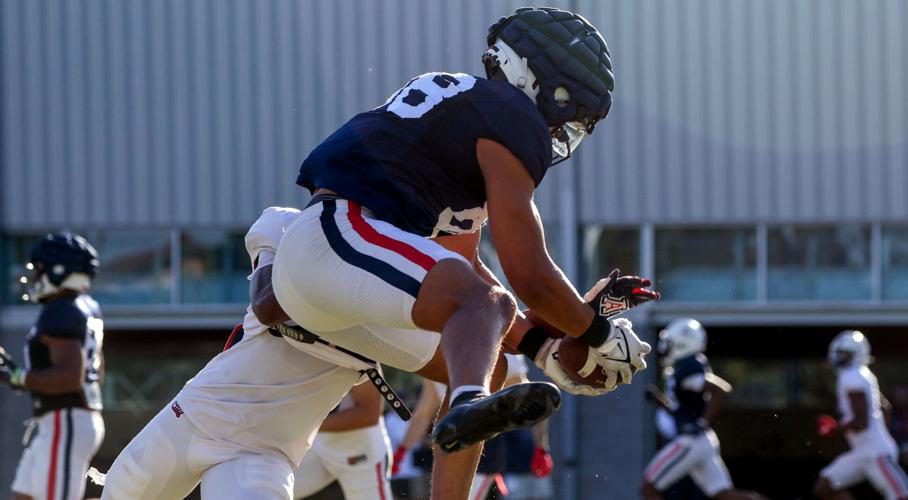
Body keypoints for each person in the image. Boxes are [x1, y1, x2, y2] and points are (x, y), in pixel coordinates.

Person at [270, 7, 657, 498]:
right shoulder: (508, 117)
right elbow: (527, 275)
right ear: (534, 79)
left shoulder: (463, 121)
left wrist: (542, 349)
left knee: (489, 356)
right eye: (568, 108)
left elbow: (464, 264)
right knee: (482, 309)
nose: (563, 129)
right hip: (335, 240)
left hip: (344, 265)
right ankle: (469, 401)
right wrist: (596, 330)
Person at [0, 233, 106, 500]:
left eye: (41, 270)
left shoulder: (61, 310)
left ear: (61, 270)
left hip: (65, 418)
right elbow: (97, 372)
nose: (36, 277)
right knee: (25, 494)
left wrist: (17, 376)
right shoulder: (86, 308)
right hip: (64, 418)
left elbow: (71, 377)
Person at [641, 318, 765, 500]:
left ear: (682, 343)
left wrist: (702, 422)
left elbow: (720, 391)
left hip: (691, 440)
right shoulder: (686, 367)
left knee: (648, 486)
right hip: (703, 440)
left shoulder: (688, 368)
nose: (666, 348)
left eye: (670, 343)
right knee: (723, 495)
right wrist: (659, 400)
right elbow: (682, 409)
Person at [813, 330, 908, 500]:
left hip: (875, 452)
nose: (840, 358)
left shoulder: (851, 377)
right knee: (824, 486)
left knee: (900, 495)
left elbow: (861, 422)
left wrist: (835, 428)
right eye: (840, 354)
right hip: (862, 451)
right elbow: (884, 408)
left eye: (845, 355)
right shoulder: (860, 373)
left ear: (856, 355)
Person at [292, 378, 393, 500]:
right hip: (319, 445)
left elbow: (369, 414)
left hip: (360, 453)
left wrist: (307, 425)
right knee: (269, 485)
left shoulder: (360, 358)